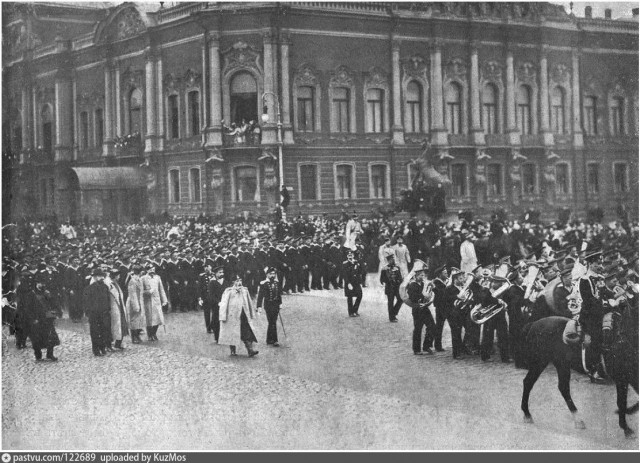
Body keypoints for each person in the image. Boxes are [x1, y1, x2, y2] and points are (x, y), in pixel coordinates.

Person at [218, 274, 262, 357]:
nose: (239, 283)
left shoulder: (245, 290)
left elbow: (248, 302)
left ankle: (250, 350)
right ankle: (233, 351)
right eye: (237, 281)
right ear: (233, 282)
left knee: (247, 332)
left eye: (240, 280)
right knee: (232, 332)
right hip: (232, 316)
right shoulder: (228, 291)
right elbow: (224, 304)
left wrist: (251, 313)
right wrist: (223, 316)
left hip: (243, 314)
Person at [27, 274, 61, 361]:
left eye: (43, 283)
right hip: (37, 319)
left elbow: (54, 303)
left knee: (51, 336)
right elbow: (28, 308)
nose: (41, 285)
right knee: (36, 338)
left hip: (47, 318)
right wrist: (32, 319)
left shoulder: (47, 293)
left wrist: (56, 311)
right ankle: (38, 355)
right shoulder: (31, 294)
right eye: (40, 283)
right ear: (36, 284)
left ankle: (50, 354)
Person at [406, 260, 436, 355]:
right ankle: (416, 349)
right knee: (418, 329)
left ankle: (427, 346)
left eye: (423, 275)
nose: (422, 277)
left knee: (432, 326)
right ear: (416, 276)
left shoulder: (423, 284)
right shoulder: (412, 285)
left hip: (425, 308)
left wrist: (431, 288)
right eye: (420, 276)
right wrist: (423, 296)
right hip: (417, 309)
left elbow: (429, 294)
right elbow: (413, 297)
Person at [83, 268, 112, 357]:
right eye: (99, 276)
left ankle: (102, 348)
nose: (101, 278)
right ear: (95, 277)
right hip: (94, 314)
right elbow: (86, 302)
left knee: (104, 331)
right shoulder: (89, 288)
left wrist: (108, 309)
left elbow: (108, 300)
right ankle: (96, 349)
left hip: (104, 313)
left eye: (102, 276)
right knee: (95, 332)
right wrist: (89, 312)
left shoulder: (105, 287)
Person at [256, 267, 283, 346]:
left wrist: (280, 303)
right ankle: (274, 340)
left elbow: (278, 294)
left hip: (276, 304)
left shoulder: (277, 283)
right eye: (270, 274)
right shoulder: (263, 284)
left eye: (274, 274)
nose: (272, 275)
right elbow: (260, 296)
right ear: (267, 274)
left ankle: (270, 339)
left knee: (273, 321)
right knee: (271, 321)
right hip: (268, 305)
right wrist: (259, 306)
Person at [199, 265, 226, 340]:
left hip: (224, 303)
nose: (221, 274)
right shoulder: (212, 282)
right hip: (215, 303)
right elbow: (211, 295)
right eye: (219, 272)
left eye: (222, 272)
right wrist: (218, 302)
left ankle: (223, 335)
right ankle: (217, 337)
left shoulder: (224, 281)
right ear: (216, 273)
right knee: (216, 319)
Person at [141, 264, 167, 341]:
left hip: (156, 300)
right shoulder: (143, 278)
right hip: (148, 300)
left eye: (153, 269)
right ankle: (150, 335)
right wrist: (148, 292)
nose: (152, 271)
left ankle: (154, 333)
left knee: (158, 318)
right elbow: (141, 291)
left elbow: (161, 289)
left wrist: (164, 300)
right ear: (147, 270)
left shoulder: (157, 278)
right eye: (150, 269)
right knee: (149, 319)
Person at [106, 268, 129, 350]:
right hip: (114, 307)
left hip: (120, 307)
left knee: (122, 325)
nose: (119, 277)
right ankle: (111, 344)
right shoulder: (109, 284)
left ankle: (118, 343)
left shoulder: (116, 284)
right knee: (115, 326)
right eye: (117, 275)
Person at [379, 254, 403, 322]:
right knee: (390, 302)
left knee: (400, 299)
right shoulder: (384, 269)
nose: (393, 260)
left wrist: (399, 281)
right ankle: (391, 317)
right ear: (388, 261)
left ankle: (394, 312)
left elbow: (400, 278)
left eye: (393, 259)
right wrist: (388, 281)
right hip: (389, 287)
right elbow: (381, 280)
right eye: (391, 260)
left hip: (397, 287)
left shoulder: (397, 267)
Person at [126, 265, 146, 344]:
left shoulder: (139, 280)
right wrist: (136, 305)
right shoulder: (132, 281)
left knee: (139, 320)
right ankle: (134, 337)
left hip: (139, 301)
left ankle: (137, 335)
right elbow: (132, 294)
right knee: (133, 320)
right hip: (133, 302)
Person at [342, 250, 363, 317]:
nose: (350, 256)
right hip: (349, 282)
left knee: (360, 295)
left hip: (356, 282)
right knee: (350, 297)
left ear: (353, 255)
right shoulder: (345, 264)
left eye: (351, 255)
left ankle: (355, 310)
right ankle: (351, 312)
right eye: (349, 255)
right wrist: (348, 283)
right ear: (347, 256)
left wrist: (360, 281)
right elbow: (344, 274)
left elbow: (359, 272)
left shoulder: (356, 262)